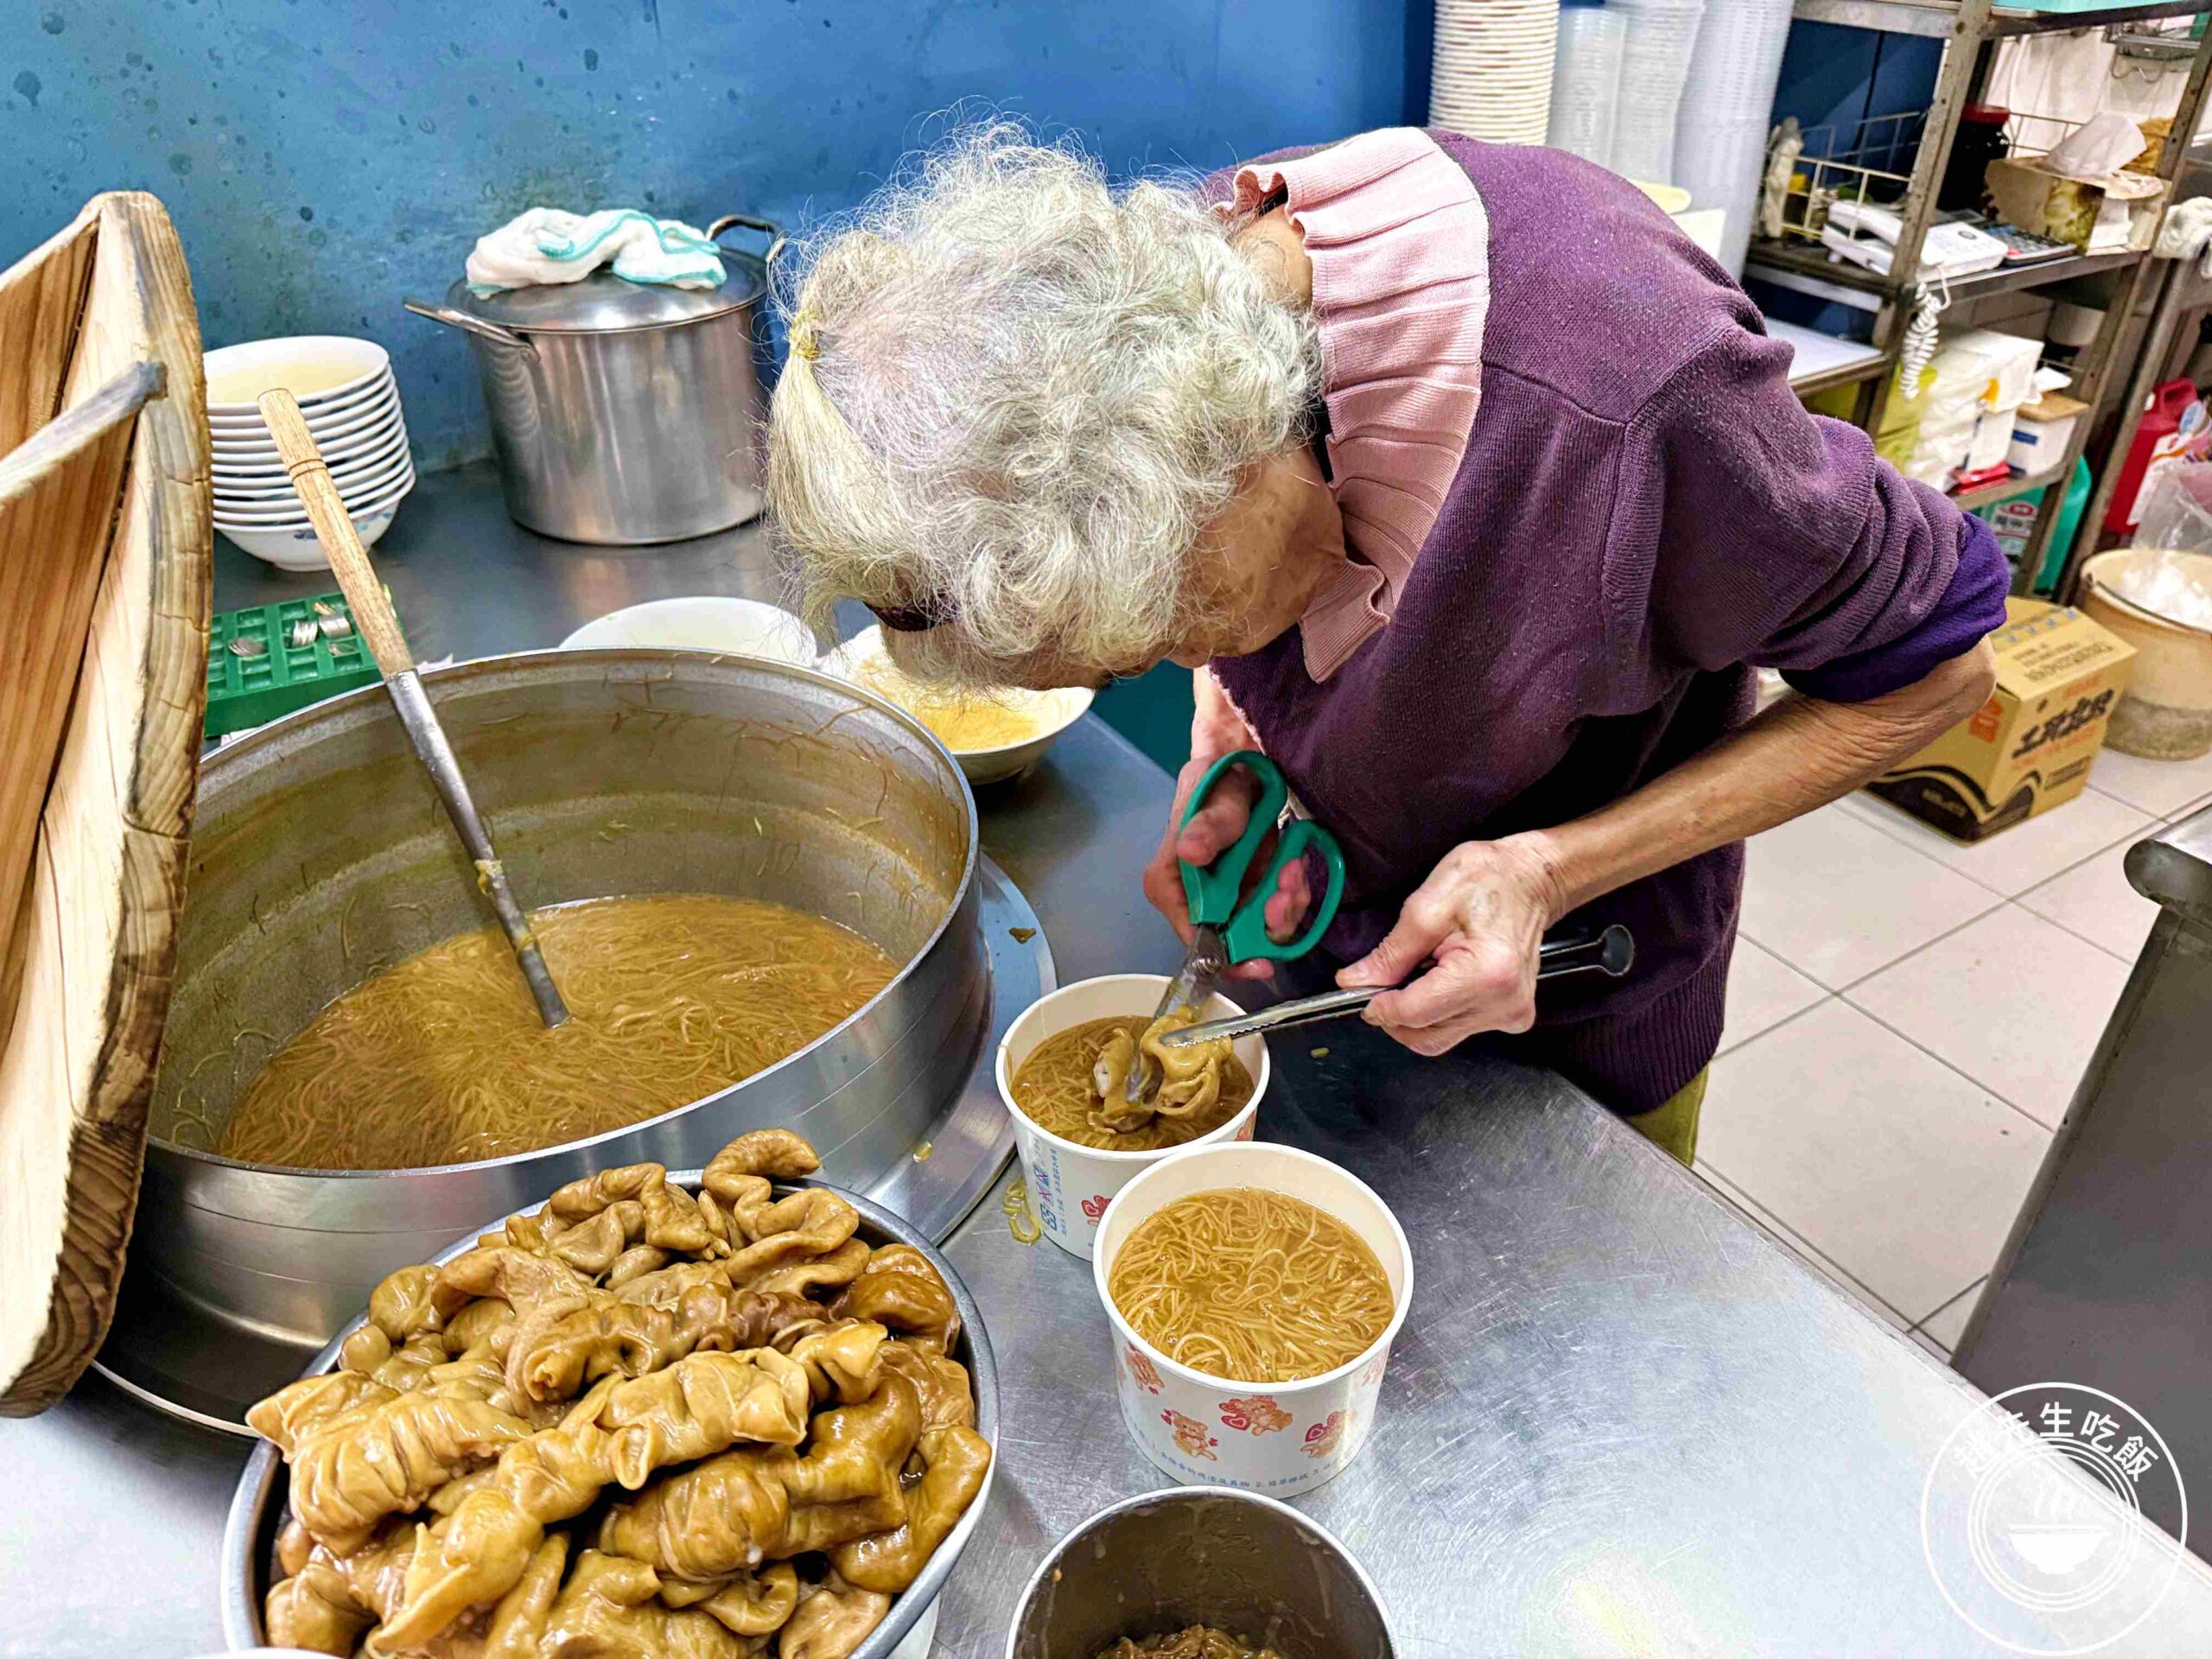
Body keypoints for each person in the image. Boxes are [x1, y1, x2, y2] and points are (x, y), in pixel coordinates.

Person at [764, 124, 2005, 1165]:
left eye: (1157, 636)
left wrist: (1550, 872)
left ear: (1219, 467)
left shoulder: (1628, 399)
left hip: (1578, 1020)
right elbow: (1284, 635)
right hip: (1332, 989)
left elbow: (1940, 668)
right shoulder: (1161, 301)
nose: (1169, 658)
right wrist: (1233, 728)